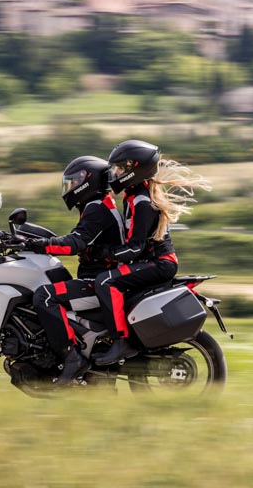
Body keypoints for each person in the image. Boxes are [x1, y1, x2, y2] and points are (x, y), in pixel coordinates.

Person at [91, 139, 211, 366]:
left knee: (106, 282)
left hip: (159, 264)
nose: (114, 173)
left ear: (134, 170)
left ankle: (121, 342)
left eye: (120, 168)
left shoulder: (142, 202)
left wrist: (101, 253)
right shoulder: (135, 196)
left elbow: (133, 248)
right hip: (153, 262)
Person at [19, 155, 126, 386]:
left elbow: (75, 243)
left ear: (89, 181)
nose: (70, 188)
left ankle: (72, 357)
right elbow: (78, 238)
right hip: (96, 277)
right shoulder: (97, 206)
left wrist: (40, 245)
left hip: (97, 280)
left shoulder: (98, 208)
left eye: (74, 182)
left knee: (45, 296)